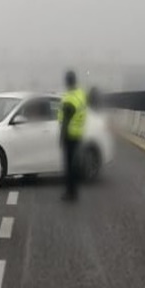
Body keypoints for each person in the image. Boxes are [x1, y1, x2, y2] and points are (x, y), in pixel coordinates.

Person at [58, 70, 88, 201]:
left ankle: (70, 193)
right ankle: (74, 191)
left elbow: (65, 121)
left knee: (69, 166)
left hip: (69, 135)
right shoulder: (80, 94)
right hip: (78, 134)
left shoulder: (69, 99)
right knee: (74, 164)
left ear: (68, 81)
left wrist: (61, 137)